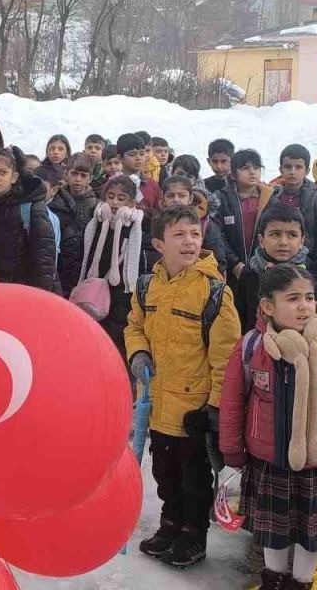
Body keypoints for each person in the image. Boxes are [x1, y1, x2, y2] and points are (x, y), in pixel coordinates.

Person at [222, 265, 317, 590]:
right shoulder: (252, 347)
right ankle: (273, 578)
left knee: (312, 531)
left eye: (309, 297)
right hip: (269, 458)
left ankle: (300, 582)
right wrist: (233, 449)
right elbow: (233, 401)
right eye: (292, 298)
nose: (304, 305)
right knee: (273, 528)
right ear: (267, 306)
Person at [126, 205, 241, 569]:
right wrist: (139, 353)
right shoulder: (147, 286)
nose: (189, 241)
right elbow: (134, 326)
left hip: (193, 409)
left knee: (193, 479)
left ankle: (194, 535)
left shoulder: (214, 293)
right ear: (159, 243)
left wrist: (214, 407)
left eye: (195, 234)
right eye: (179, 235)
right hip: (157, 403)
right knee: (164, 473)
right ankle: (170, 524)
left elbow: (227, 357)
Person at [0, 146, 58, 292]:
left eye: (3, 172)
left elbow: (44, 262)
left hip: (23, 292)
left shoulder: (31, 209)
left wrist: (40, 297)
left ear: (14, 177)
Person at [80, 175, 146, 353]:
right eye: (110, 197)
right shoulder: (95, 223)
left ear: (132, 202)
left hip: (122, 295)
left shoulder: (139, 228)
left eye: (121, 198)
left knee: (115, 342)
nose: (115, 202)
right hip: (94, 291)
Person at [234, 204, 310, 333]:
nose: (283, 242)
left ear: (302, 240)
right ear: (261, 240)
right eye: (275, 234)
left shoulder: (314, 274)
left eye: (292, 235)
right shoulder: (250, 275)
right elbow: (239, 319)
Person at [267, 144, 317, 281]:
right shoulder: (271, 196)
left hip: (306, 260)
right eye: (288, 167)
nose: (292, 172)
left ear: (307, 171)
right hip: (275, 259)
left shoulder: (316, 198)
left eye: (298, 167)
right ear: (280, 169)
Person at [219, 149, 273, 279]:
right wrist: (235, 263)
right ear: (232, 175)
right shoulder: (222, 199)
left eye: (256, 167)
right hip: (232, 269)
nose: (252, 172)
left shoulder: (271, 198)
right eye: (245, 168)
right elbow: (218, 236)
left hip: (264, 267)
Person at [51, 155, 99, 295]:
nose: (78, 179)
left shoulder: (95, 205)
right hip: (59, 260)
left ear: (90, 178)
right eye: (74, 174)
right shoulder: (56, 197)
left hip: (82, 262)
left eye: (83, 176)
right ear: (67, 174)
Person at [161, 175, 227, 273]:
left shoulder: (205, 225)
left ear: (191, 198)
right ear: (163, 198)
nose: (176, 200)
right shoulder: (157, 224)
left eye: (182, 195)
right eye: (170, 196)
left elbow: (218, 261)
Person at [116, 133, 161, 212]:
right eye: (132, 154)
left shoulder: (152, 184)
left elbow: (158, 212)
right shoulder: (112, 184)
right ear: (120, 158)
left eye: (142, 153)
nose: (139, 158)